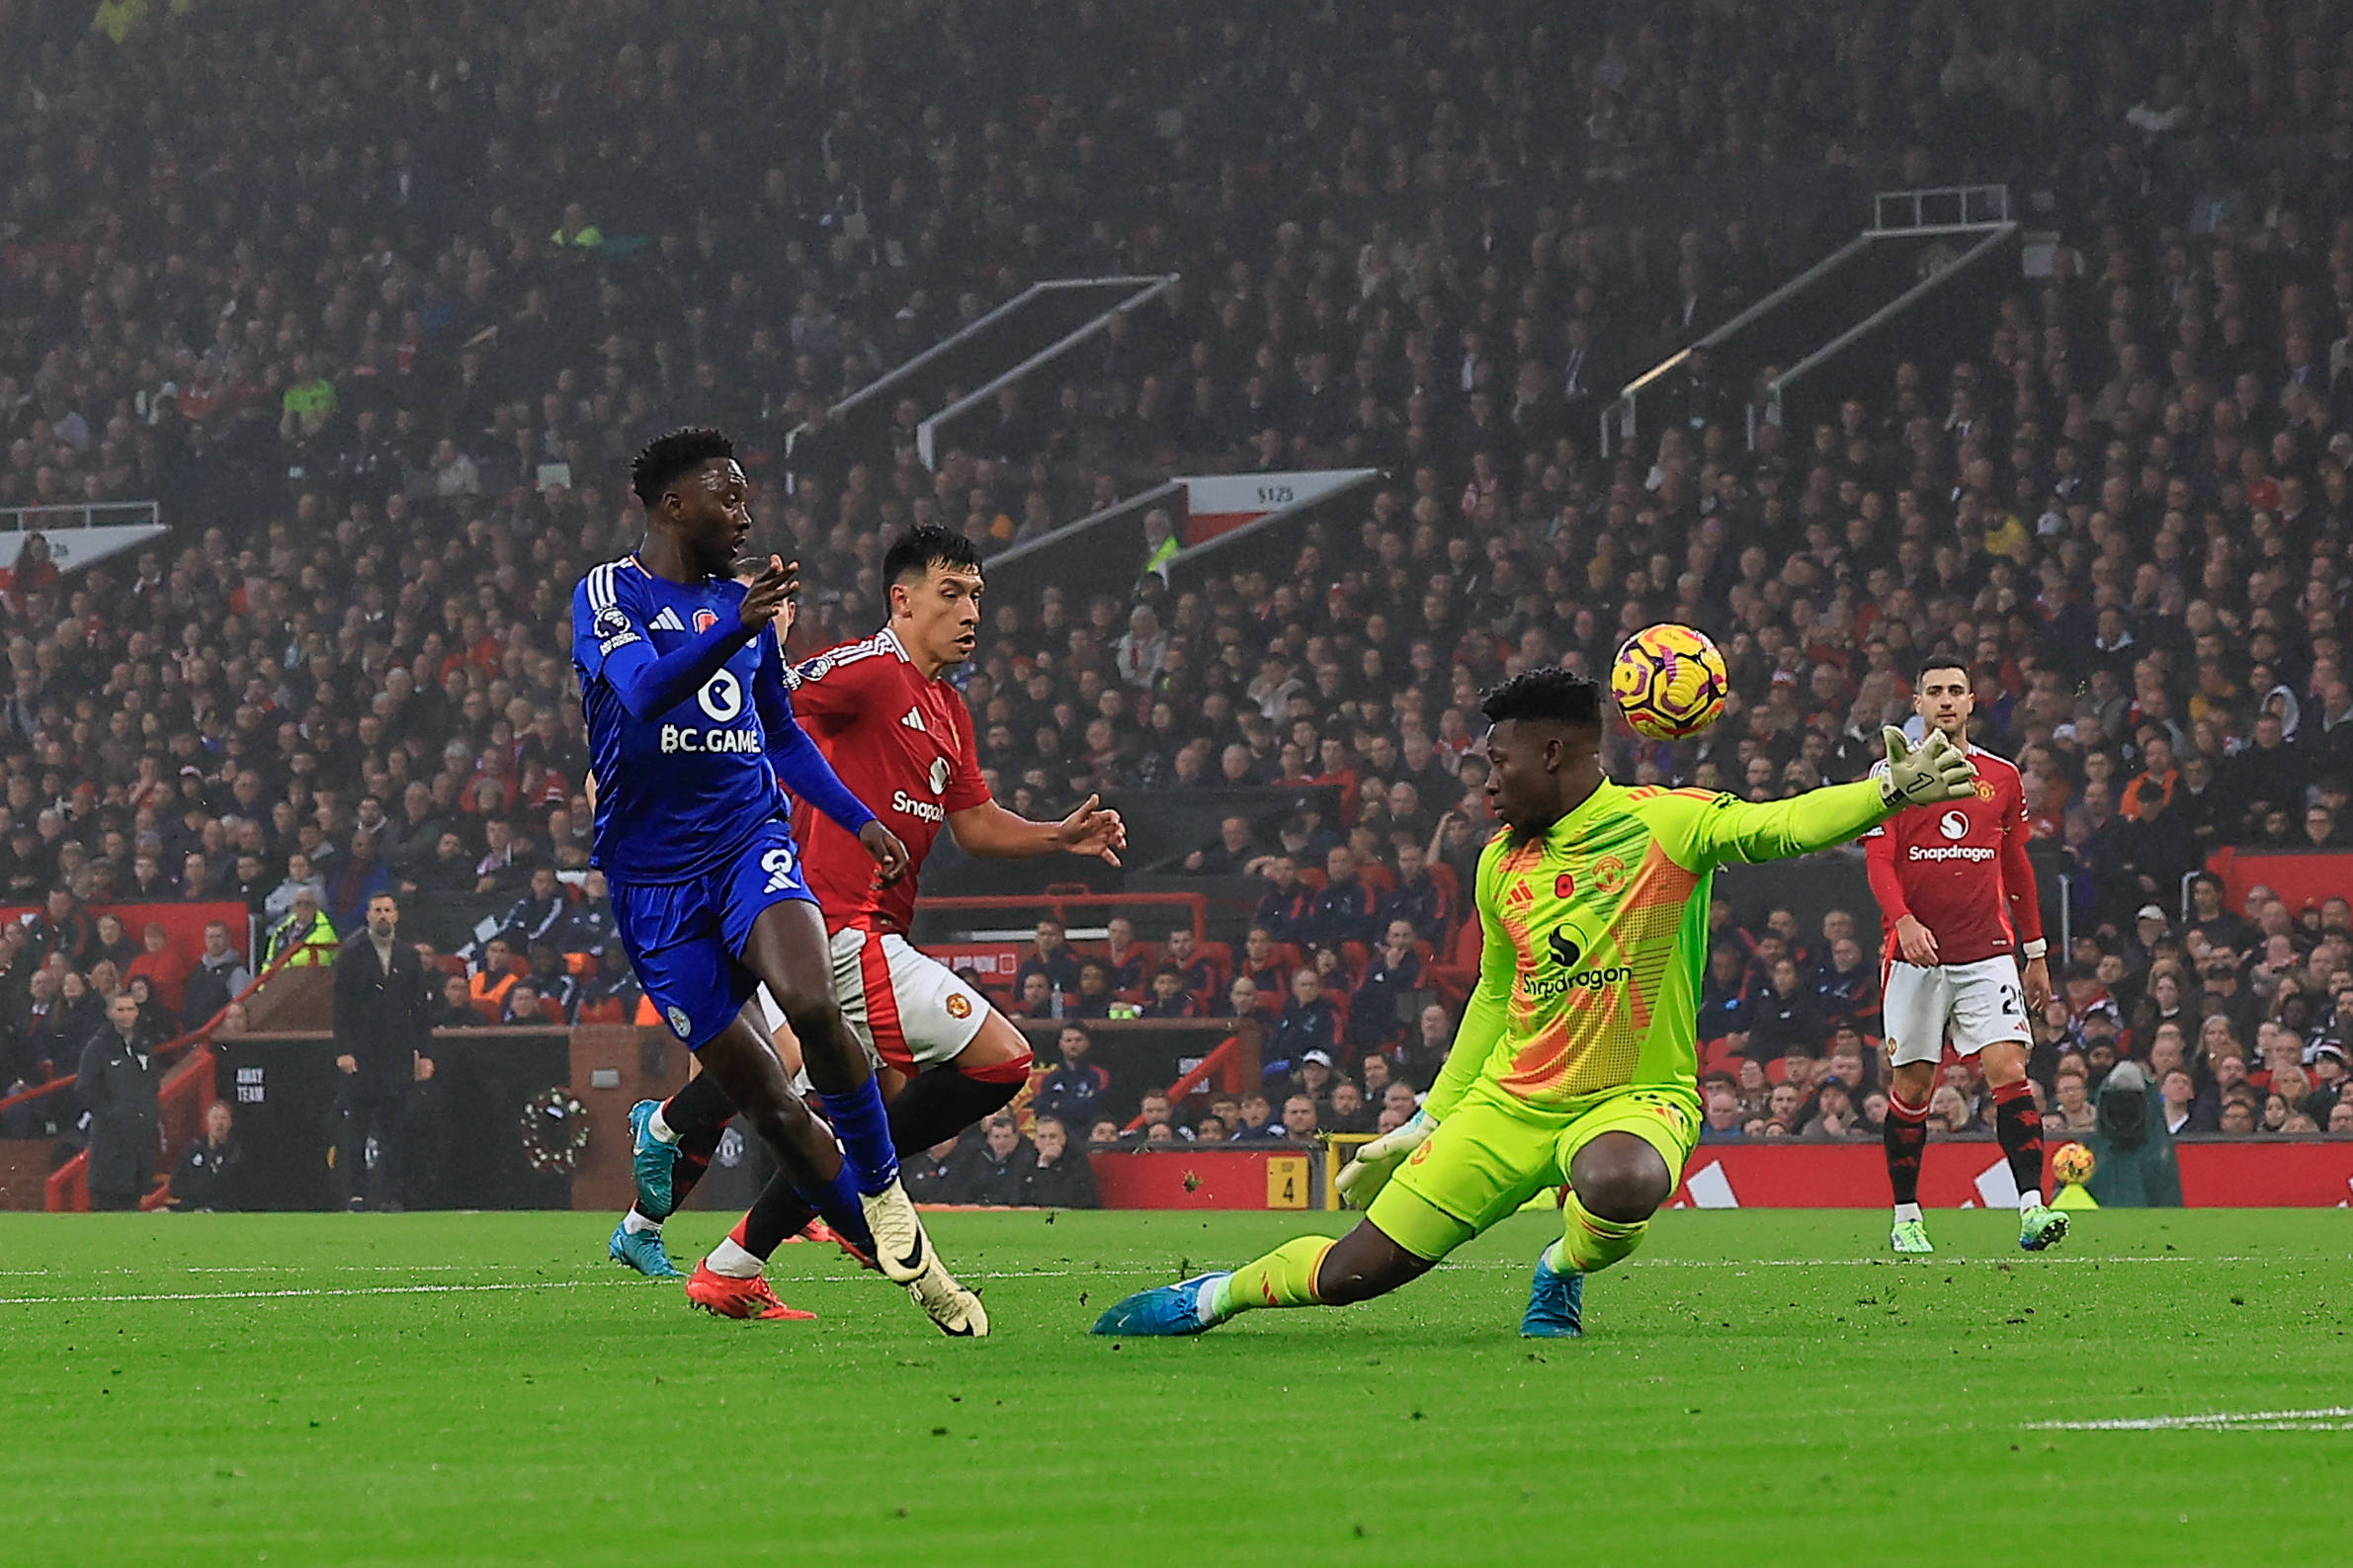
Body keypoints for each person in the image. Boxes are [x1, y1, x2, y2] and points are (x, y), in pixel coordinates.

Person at [1093, 667, 1979, 1340]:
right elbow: (1493, 991)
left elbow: (1779, 823)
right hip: (1506, 1105)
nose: (1483, 782)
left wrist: (1887, 789)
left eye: (1495, 761)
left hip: (1633, 1098)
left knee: (1619, 1179)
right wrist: (1427, 1117)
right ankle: (1208, 1295)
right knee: (1355, 1271)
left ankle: (1560, 1263)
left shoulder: (1662, 824)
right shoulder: (1497, 862)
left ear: (1552, 753)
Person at [612, 525, 1126, 1309]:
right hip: (833, 926)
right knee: (998, 1059)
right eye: (951, 594)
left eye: (977, 596)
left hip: (874, 929)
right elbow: (766, 697)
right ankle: (779, 1193)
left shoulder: (947, 708)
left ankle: (732, 1262)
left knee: (853, 1098)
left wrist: (1058, 835)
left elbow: (976, 822)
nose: (970, 612)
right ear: (903, 598)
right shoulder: (864, 669)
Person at [571, 427, 975, 1334]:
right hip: (652, 884)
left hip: (747, 841)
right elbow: (640, 693)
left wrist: (855, 814)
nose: (747, 514)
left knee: (811, 999)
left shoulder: (734, 603)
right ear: (675, 505)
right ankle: (899, 1260)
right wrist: (736, 625)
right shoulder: (610, 592)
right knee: (771, 1104)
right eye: (729, 496)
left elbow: (781, 733)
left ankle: (884, 1193)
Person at [1866, 655, 2063, 1257]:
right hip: (1915, 959)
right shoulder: (1893, 773)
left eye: (1956, 691)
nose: (1946, 700)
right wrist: (1904, 921)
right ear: (1919, 705)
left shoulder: (2002, 776)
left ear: (1972, 702)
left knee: (2010, 1073)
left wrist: (2035, 952)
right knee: (1914, 1088)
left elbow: (2017, 867)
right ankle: (1906, 1216)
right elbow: (1877, 860)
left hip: (1987, 953)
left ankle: (2032, 1208)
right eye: (1934, 692)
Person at [330, 894, 438, 1211]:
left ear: (397, 916)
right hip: (362, 1056)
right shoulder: (352, 955)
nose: (382, 916)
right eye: (377, 910)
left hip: (398, 1056)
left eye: (387, 911)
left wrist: (426, 1053)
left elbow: (420, 1009)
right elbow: (342, 1008)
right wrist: (344, 1050)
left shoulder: (408, 957)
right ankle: (356, 1195)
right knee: (356, 1131)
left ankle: (392, 1195)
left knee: (396, 1131)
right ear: (367, 916)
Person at [77, 991, 162, 1210]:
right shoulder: (97, 1047)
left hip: (140, 1145)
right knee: (107, 1209)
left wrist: (150, 1116)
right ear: (109, 1013)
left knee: (133, 1211)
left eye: (130, 1009)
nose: (126, 1015)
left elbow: (153, 1085)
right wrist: (112, 1116)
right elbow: (86, 1090)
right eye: (120, 1009)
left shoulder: (144, 1045)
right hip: (110, 1146)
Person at [170, 1101, 243, 1212]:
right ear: (207, 1122)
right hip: (191, 1205)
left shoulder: (235, 1151)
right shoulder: (194, 1149)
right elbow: (176, 1185)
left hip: (220, 1209)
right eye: (215, 1118)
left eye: (223, 1118)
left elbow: (231, 1189)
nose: (219, 1123)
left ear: (230, 1123)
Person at [180, 920, 252, 1030]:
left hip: (218, 1036)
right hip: (192, 1034)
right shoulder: (198, 969)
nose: (214, 942)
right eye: (210, 937)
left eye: (219, 937)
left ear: (228, 939)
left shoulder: (237, 972)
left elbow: (241, 1009)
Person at [1020, 1115, 1098, 1208]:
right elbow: (1019, 1197)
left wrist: (1044, 1165)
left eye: (1052, 1137)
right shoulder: (1026, 1160)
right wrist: (1041, 1165)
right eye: (1042, 1137)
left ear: (1063, 1140)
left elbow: (1059, 1201)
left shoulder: (1077, 1162)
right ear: (1035, 1141)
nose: (1047, 1141)